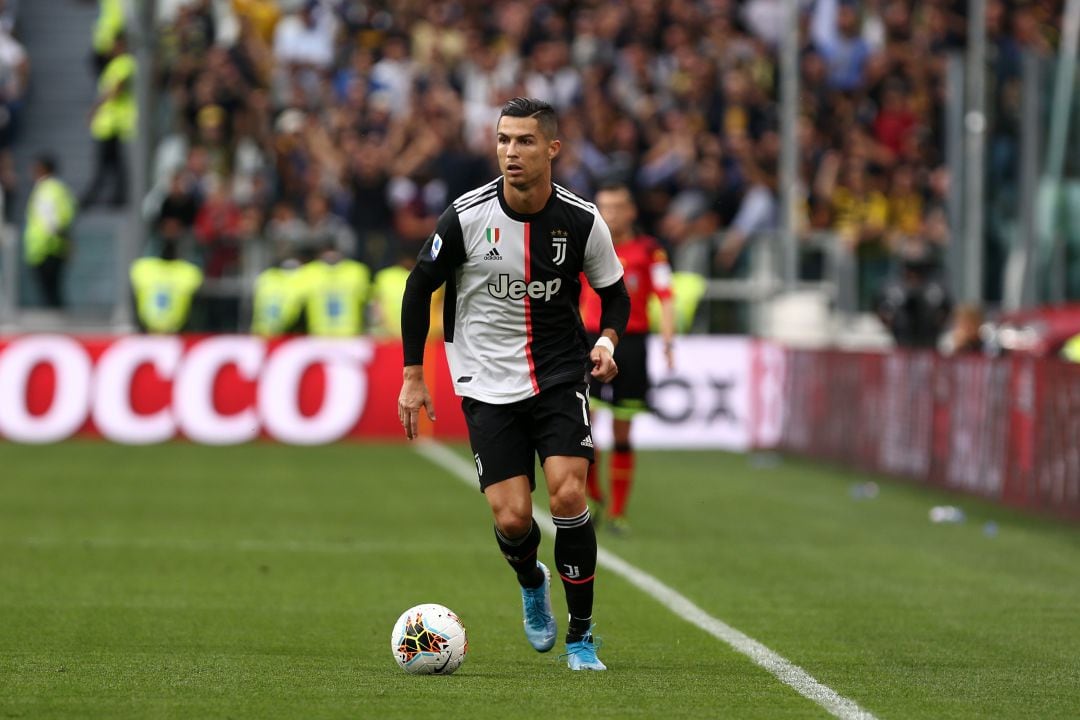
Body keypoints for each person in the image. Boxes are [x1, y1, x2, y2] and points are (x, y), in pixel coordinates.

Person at [397, 98, 629, 671]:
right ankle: (531, 579)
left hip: (557, 370)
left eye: (524, 141)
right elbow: (416, 287)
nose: (510, 152)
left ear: (552, 149)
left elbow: (616, 293)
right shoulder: (466, 217)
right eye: (503, 140)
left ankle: (581, 637)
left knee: (570, 495)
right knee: (512, 519)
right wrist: (412, 376)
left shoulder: (581, 220)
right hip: (483, 376)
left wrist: (606, 342)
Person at [580, 183, 675, 534]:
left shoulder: (650, 251)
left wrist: (668, 342)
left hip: (631, 344)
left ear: (632, 211)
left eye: (618, 206)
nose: (611, 214)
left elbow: (666, 297)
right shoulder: (588, 246)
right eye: (604, 206)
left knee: (622, 431)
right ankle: (592, 497)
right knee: (582, 429)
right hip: (590, 341)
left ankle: (618, 512)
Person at [23, 154, 77, 308]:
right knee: (54, 292)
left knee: (49, 295)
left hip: (45, 248)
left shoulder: (45, 189)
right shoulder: (59, 188)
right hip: (54, 247)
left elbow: (52, 220)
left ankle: (53, 328)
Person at [130, 241, 203, 334]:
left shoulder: (143, 268)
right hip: (175, 329)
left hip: (148, 328)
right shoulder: (187, 271)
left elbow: (132, 296)